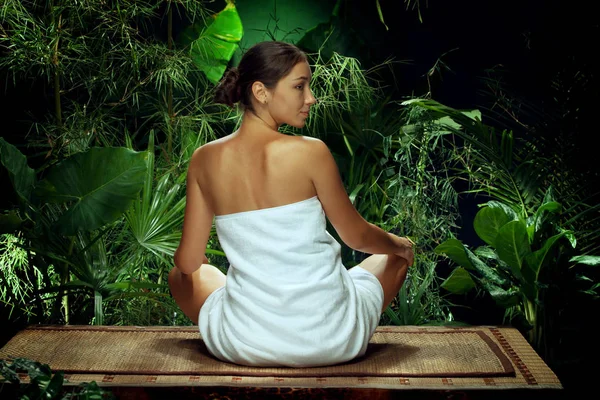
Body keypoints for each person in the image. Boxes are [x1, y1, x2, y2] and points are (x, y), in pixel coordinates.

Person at [169, 41, 414, 367]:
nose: (310, 97)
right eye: (300, 86)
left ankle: (253, 313)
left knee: (180, 275)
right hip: (333, 340)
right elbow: (356, 237)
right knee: (394, 257)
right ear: (261, 91)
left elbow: (187, 263)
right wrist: (401, 245)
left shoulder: (204, 160)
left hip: (244, 343)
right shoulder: (312, 152)